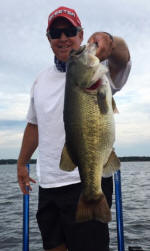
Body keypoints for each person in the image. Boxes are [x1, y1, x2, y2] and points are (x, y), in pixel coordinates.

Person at [17, 6, 131, 251]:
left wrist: (110, 41)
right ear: (48, 39)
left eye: (69, 30)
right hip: (48, 184)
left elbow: (123, 56)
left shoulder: (102, 73)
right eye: (55, 33)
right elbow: (34, 125)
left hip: (86, 179)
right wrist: (21, 163)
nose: (62, 38)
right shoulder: (40, 80)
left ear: (81, 34)